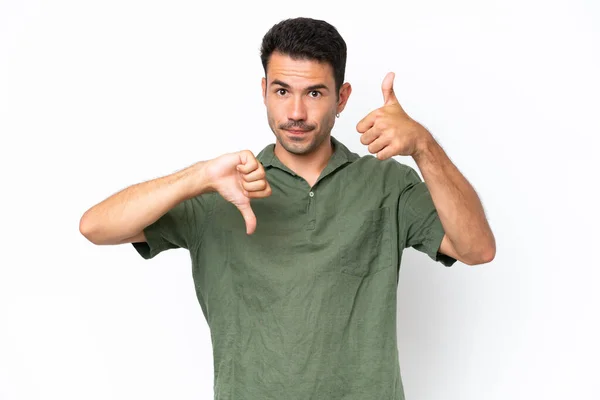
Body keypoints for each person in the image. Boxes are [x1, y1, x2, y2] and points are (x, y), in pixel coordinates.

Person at [80, 17, 495, 400]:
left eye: (314, 93)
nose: (296, 113)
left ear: (342, 97)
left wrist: (423, 145)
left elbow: (477, 249)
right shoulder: (224, 187)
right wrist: (198, 177)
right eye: (282, 91)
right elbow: (96, 227)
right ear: (263, 91)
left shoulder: (388, 185)